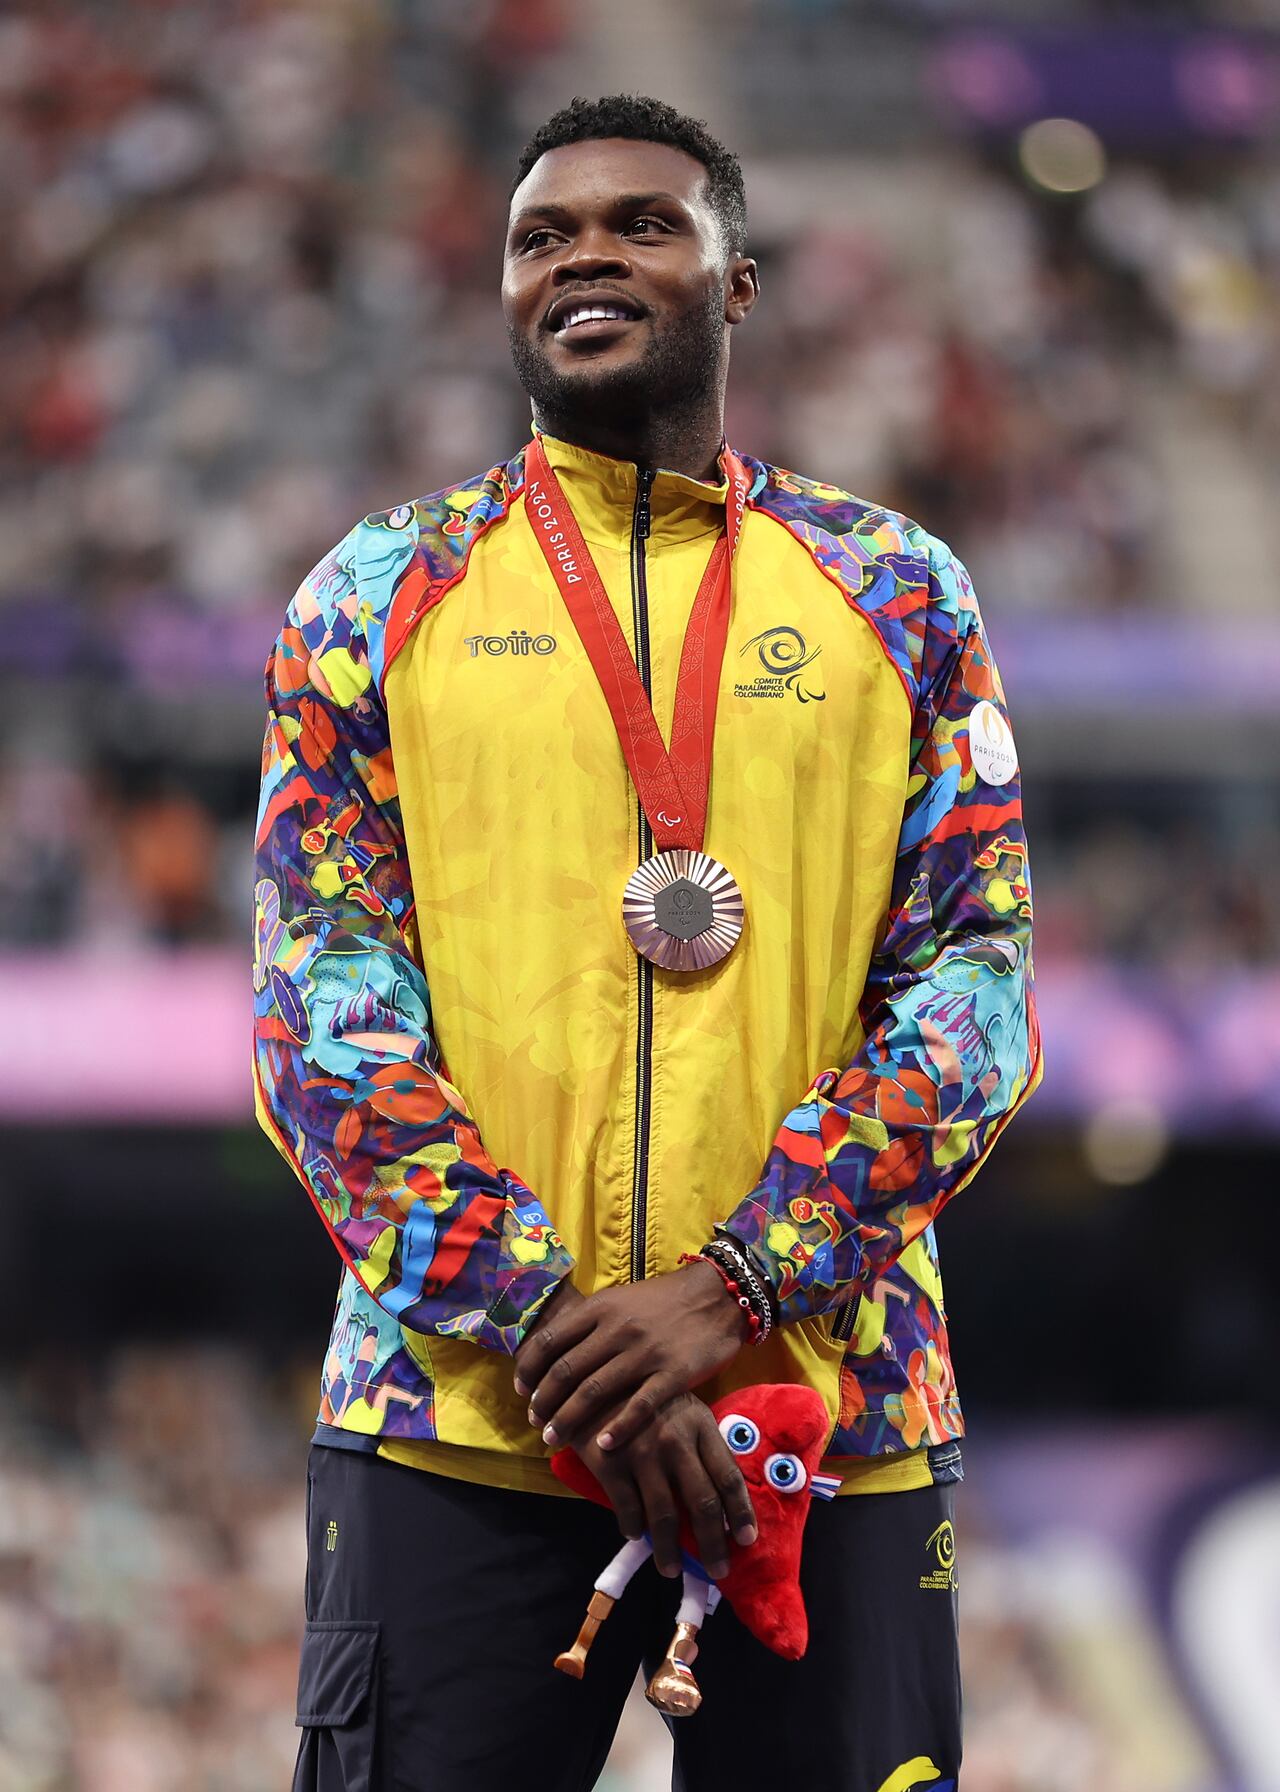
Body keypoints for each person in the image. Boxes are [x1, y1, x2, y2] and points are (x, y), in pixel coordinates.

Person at [253, 92, 1041, 1792]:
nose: (583, 258)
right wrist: (561, 1331)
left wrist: (739, 1283)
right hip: (462, 1423)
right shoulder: (373, 596)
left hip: (831, 1420)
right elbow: (319, 1020)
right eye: (542, 237)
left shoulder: (898, 591)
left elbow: (974, 995)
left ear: (737, 281)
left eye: (640, 225)